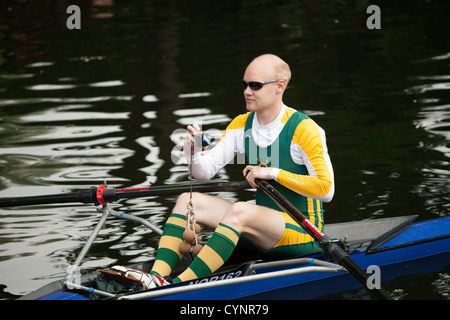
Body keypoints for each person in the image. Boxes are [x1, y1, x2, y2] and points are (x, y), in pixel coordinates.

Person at [146, 54, 335, 286]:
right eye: (244, 84)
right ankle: (154, 278)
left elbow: (326, 190)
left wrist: (271, 173)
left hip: (303, 233)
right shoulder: (241, 125)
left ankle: (179, 286)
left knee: (241, 210)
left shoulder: (305, 129)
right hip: (263, 233)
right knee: (187, 200)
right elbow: (203, 173)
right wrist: (192, 153)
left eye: (255, 85)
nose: (247, 91)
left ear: (280, 86)